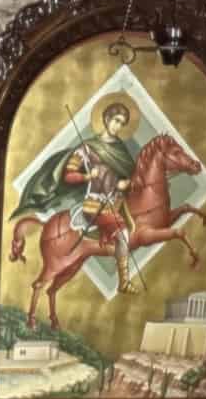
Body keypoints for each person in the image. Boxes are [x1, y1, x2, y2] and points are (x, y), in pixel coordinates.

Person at [11, 98, 142, 294]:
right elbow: (69, 175)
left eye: (122, 123)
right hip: (96, 204)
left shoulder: (121, 150)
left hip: (117, 202)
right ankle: (123, 283)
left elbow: (128, 177)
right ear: (106, 119)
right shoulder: (87, 148)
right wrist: (88, 175)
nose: (118, 126)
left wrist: (125, 183)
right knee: (123, 235)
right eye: (116, 120)